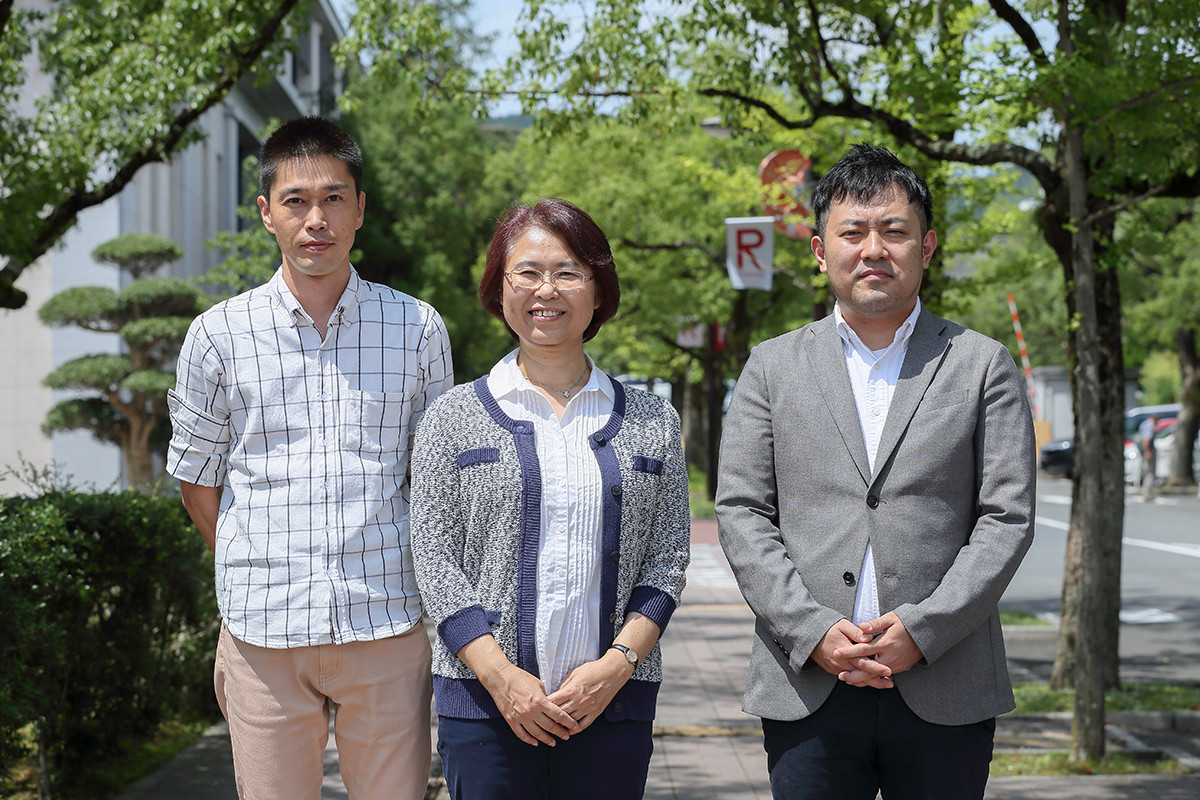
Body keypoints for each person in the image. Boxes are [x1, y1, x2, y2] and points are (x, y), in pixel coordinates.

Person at [715, 143, 1035, 800]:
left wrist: (925, 629)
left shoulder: (981, 364)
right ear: (818, 249)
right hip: (808, 681)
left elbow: (1006, 517)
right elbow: (742, 510)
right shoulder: (771, 368)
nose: (873, 249)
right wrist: (812, 630)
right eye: (853, 232)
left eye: (894, 231)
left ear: (928, 246)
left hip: (945, 677)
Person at [166, 116, 453, 800]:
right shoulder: (217, 336)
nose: (314, 218)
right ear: (266, 212)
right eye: (295, 200)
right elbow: (198, 484)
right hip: (262, 630)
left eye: (333, 198)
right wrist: (259, 556)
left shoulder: (416, 329)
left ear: (360, 209)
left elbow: (435, 481)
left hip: (386, 620)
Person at [409, 198, 690, 800]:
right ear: (500, 288)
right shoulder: (451, 417)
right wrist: (501, 678)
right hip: (485, 709)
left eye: (568, 272)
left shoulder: (651, 420)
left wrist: (617, 666)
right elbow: (434, 560)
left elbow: (667, 561)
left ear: (597, 290)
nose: (547, 290)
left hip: (610, 708)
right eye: (528, 272)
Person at [1138, 414, 1158, 501]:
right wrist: (1147, 451)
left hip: (1144, 450)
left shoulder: (1143, 424)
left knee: (1146, 472)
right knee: (1150, 473)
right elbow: (1146, 439)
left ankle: (1147, 493)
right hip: (1149, 450)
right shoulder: (1150, 425)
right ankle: (1148, 493)